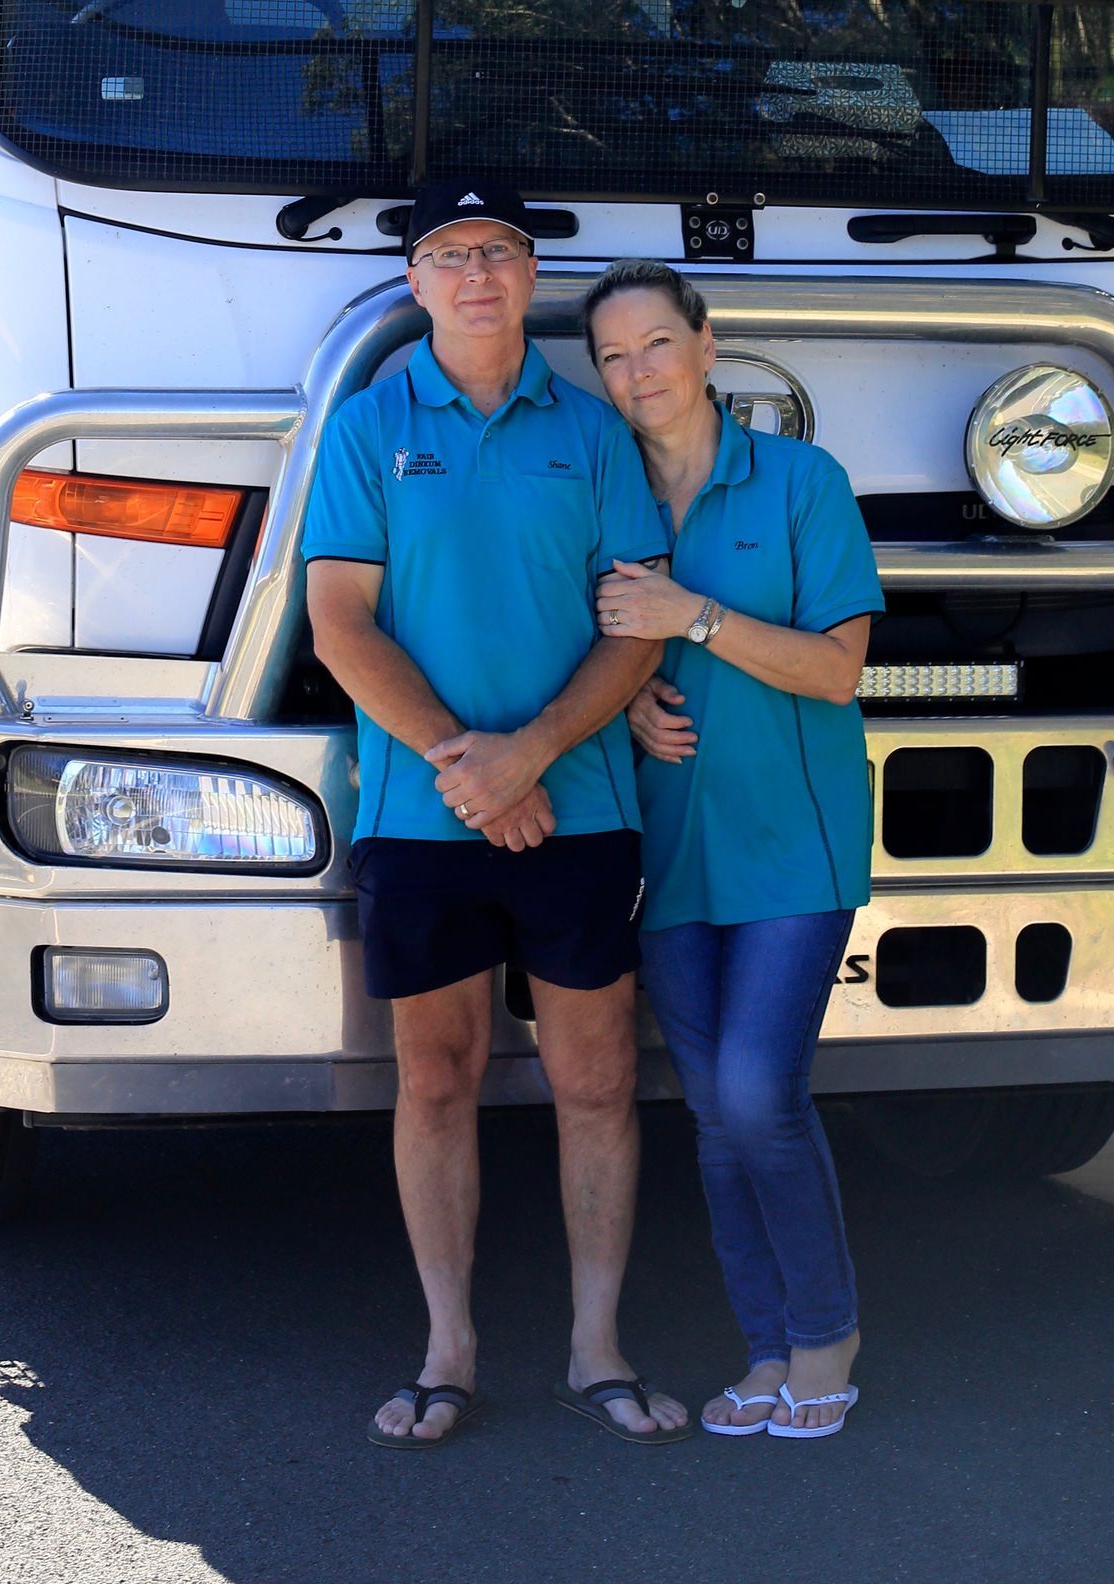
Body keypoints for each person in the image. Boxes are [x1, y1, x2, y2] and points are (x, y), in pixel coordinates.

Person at [305, 181, 690, 1452]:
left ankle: (597, 1348)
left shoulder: (590, 435)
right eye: (451, 254)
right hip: (423, 820)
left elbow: (635, 620)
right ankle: (449, 1348)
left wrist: (529, 758)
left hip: (578, 811)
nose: (478, 273)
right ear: (416, 283)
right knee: (435, 1079)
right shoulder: (367, 429)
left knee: (595, 1079)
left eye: (502, 253)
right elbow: (339, 624)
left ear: (532, 280)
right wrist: (465, 769)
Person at [585, 260, 879, 1444]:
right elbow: (582, 651)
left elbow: (837, 668)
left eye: (657, 342)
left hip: (792, 846)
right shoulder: (602, 499)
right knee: (713, 1113)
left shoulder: (804, 481)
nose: (637, 371)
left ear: (708, 345)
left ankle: (828, 1333)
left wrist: (689, 618)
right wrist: (633, 697)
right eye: (612, 355)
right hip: (667, 856)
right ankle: (767, 1349)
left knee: (760, 1095)